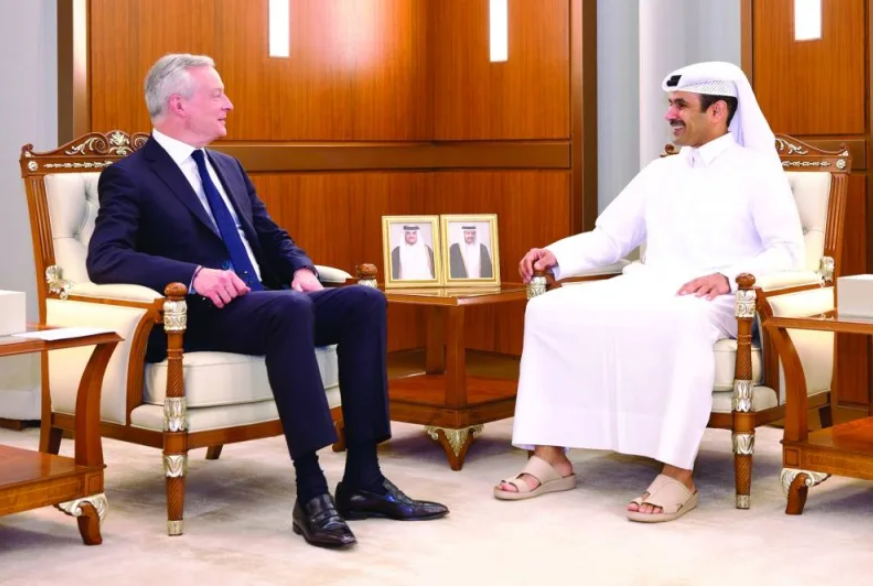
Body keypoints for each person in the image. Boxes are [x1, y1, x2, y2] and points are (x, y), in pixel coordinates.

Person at [87, 53, 448, 548]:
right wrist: (193, 275)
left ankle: (363, 479)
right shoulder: (130, 175)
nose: (229, 104)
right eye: (217, 94)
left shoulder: (227, 167)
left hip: (266, 304)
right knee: (289, 308)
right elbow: (106, 258)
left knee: (363, 302)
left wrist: (301, 268)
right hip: (198, 317)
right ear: (179, 104)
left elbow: (270, 235)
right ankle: (311, 491)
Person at [493, 61, 804, 523]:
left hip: (718, 298)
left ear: (718, 111)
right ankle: (550, 456)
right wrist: (556, 255)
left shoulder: (757, 171)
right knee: (549, 310)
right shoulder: (661, 172)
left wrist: (726, 275)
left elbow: (788, 252)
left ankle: (678, 474)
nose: (669, 114)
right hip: (650, 283)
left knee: (680, 320)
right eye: (670, 104)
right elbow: (609, 237)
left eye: (681, 105)